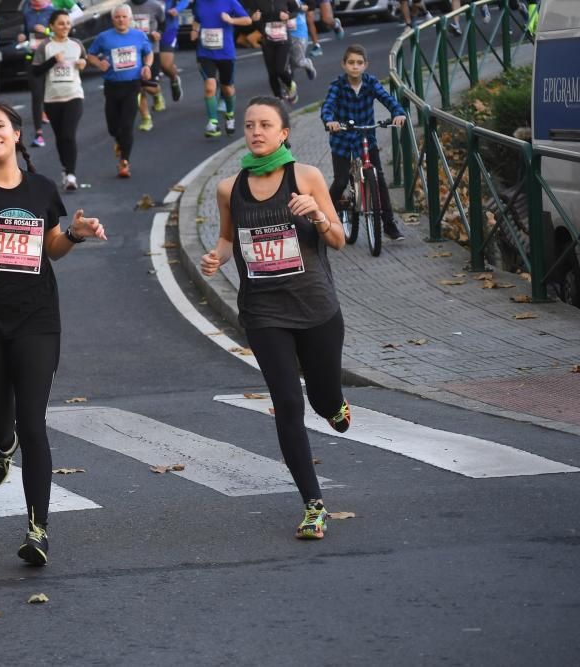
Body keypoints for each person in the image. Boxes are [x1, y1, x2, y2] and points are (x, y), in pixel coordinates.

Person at [0, 100, 106, 565]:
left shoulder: (42, 189)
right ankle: (1, 443)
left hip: (36, 320)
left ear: (15, 134)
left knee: (33, 422)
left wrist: (76, 233)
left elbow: (51, 247)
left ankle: (37, 529)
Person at [199, 96, 348, 540]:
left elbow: (338, 239)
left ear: (284, 132)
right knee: (287, 403)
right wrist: (215, 258)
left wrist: (318, 215)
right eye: (249, 125)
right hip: (263, 313)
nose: (256, 132)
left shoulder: (306, 177)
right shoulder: (230, 188)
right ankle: (313, 504)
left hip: (316, 308)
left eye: (266, 124)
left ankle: (335, 405)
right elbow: (228, 238)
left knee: (322, 401)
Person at [320, 44, 408, 241]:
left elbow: (387, 99)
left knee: (379, 179)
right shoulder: (337, 86)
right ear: (344, 65)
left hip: (366, 137)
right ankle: (324, 217)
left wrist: (398, 113)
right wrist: (329, 121)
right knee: (341, 180)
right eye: (351, 62)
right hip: (342, 138)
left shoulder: (370, 83)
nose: (355, 67)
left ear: (366, 65)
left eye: (359, 63)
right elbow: (328, 106)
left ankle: (389, 224)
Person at [87, 4, 154, 178]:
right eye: (117, 17)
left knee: (127, 125)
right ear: (112, 19)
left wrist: (147, 66)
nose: (121, 20)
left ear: (130, 19)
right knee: (113, 127)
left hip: (132, 85)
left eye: (124, 17)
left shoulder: (139, 36)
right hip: (112, 85)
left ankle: (124, 162)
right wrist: (98, 63)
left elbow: (149, 53)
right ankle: (119, 141)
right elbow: (91, 55)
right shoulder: (104, 37)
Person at [31, 10, 88, 190]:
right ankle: (65, 167)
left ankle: (71, 175)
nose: (65, 27)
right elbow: (35, 71)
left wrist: (83, 64)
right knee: (60, 137)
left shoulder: (77, 44)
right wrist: (53, 61)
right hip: (52, 98)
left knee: (68, 135)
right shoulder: (45, 47)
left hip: (74, 95)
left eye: (68, 23)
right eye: (61, 23)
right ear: (52, 26)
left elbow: (84, 61)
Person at [190, 0, 252, 138]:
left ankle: (230, 115)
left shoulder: (230, 2)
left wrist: (231, 20)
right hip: (205, 53)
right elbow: (197, 19)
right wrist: (194, 30)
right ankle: (213, 123)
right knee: (210, 86)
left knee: (227, 88)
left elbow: (247, 20)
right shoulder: (200, 3)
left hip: (226, 53)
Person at [19, 0, 56, 148]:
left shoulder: (53, 12)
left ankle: (53, 118)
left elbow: (63, 33)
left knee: (50, 93)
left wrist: (46, 31)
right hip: (33, 59)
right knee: (36, 95)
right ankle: (38, 134)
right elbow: (25, 32)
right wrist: (22, 37)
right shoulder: (27, 12)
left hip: (51, 59)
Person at [251, 0, 301, 103]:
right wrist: (255, 19)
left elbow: (296, 10)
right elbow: (250, 15)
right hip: (267, 40)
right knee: (272, 73)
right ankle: (279, 99)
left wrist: (288, 16)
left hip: (283, 40)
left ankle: (290, 84)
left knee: (280, 70)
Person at [129, 0, 167, 132]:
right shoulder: (126, 8)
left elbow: (163, 23)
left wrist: (159, 33)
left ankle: (157, 94)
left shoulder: (154, 6)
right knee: (137, 86)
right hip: (132, 53)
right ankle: (146, 118)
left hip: (151, 50)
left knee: (148, 84)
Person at [159, 0, 188, 103]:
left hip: (168, 28)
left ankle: (174, 79)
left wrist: (177, 9)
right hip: (147, 28)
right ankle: (156, 95)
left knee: (165, 65)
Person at [286, 4, 317, 83]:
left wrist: (301, 7)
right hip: (280, 32)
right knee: (285, 64)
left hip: (298, 32)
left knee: (297, 62)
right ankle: (288, 87)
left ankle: (307, 63)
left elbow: (311, 4)